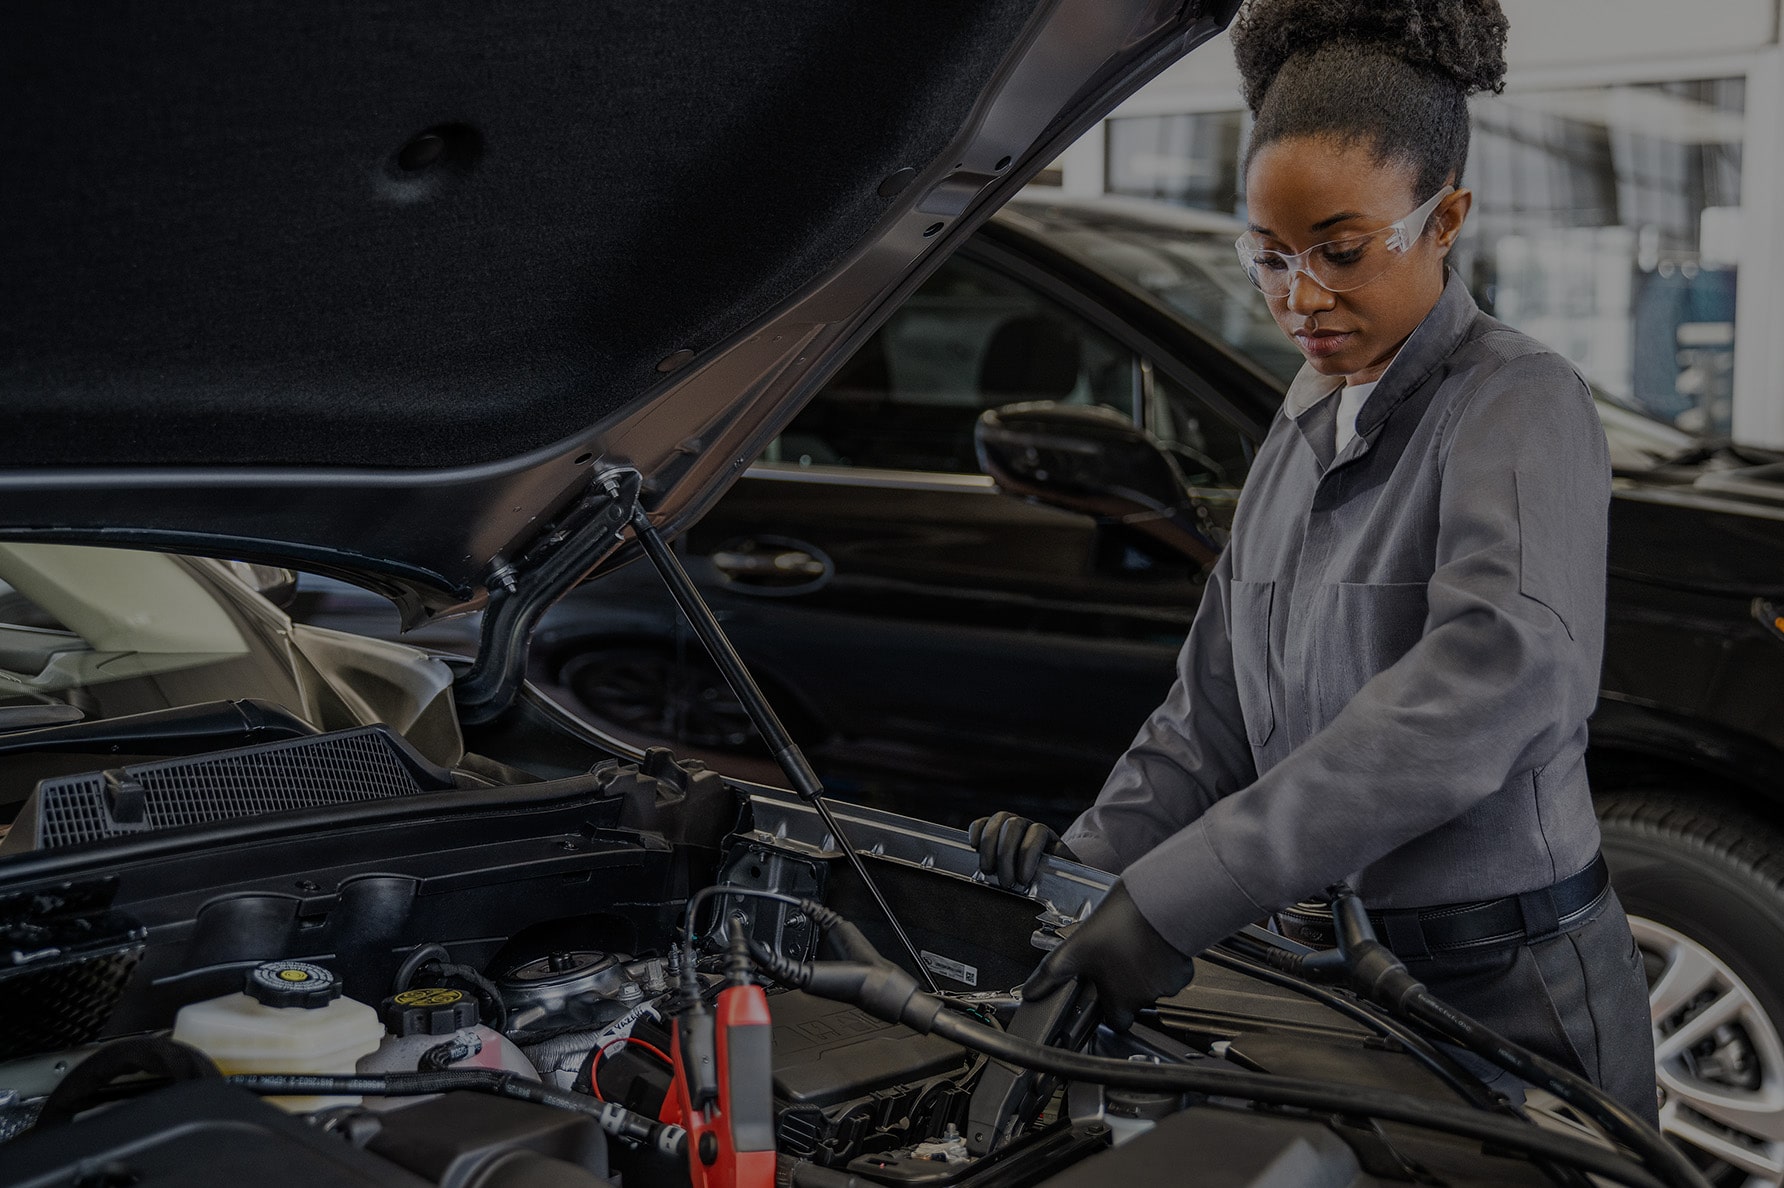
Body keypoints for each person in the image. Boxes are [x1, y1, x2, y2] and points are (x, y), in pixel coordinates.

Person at [970, 0, 1656, 1119]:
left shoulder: (1515, 405)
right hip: (1331, 985)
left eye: (1340, 251)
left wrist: (1181, 896)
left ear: (1446, 221)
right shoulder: (1302, 417)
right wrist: (1081, 889)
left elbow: (1494, 678)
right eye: (1269, 255)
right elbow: (1210, 718)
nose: (1299, 296)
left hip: (1503, 1003)